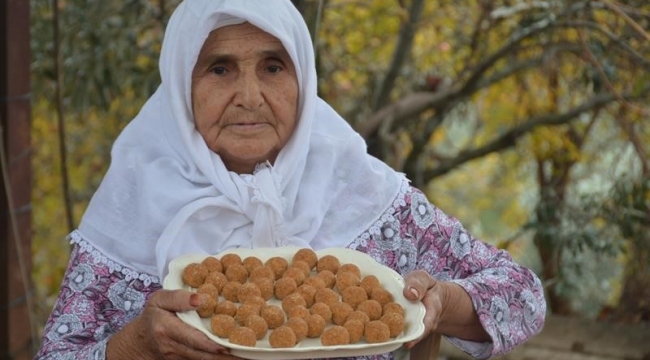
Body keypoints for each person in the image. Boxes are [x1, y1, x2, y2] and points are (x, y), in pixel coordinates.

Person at [34, 0, 546, 359]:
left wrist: (442, 303)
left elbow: (522, 296)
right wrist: (137, 347)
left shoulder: (361, 193)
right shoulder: (135, 199)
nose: (250, 96)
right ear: (180, 87)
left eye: (273, 67)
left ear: (303, 79)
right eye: (219, 69)